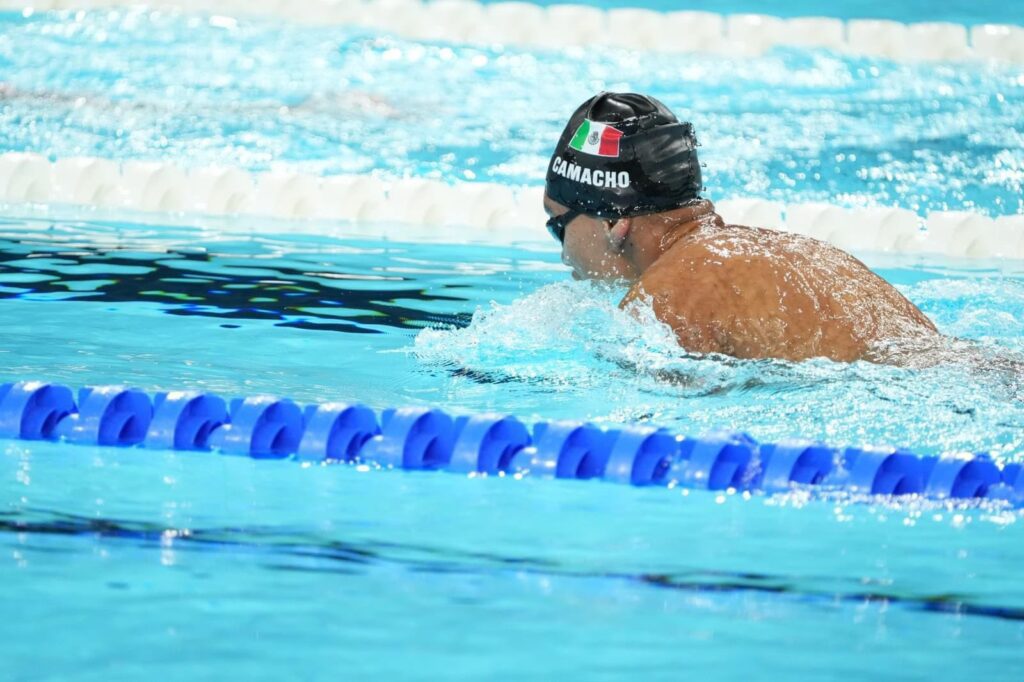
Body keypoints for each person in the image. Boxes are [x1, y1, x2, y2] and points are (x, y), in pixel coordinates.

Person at [543, 92, 940, 364]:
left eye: (559, 226)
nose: (563, 255)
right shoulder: (804, 254)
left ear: (615, 222)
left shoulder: (665, 296)